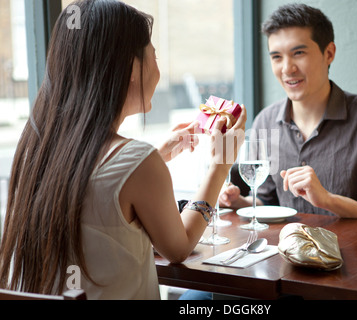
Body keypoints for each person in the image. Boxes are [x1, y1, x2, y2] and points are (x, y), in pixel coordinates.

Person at [0, 0, 246, 299]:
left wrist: (158, 156)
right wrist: (220, 165)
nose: (158, 69)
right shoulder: (137, 160)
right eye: (154, 56)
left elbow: (99, 188)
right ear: (133, 66)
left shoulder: (36, 151)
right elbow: (179, 248)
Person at [220, 3, 357, 221]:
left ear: (329, 53)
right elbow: (269, 201)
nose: (287, 68)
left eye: (299, 53)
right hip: (285, 252)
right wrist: (238, 202)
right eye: (276, 57)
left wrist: (327, 200)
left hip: (354, 253)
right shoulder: (265, 121)